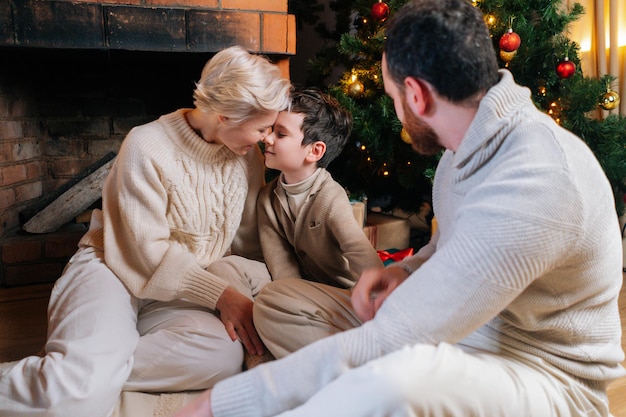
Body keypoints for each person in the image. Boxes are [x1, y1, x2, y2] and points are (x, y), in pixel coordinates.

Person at [173, 1, 626, 416]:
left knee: (394, 379)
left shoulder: (538, 182)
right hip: (459, 334)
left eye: (392, 97)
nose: (396, 110)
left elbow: (401, 337)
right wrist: (405, 272)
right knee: (286, 307)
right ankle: (344, 383)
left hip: (541, 375)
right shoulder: (462, 150)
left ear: (417, 95)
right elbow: (459, 243)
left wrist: (221, 403)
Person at [0, 45, 291, 417]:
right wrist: (221, 295)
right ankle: (77, 378)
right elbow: (143, 253)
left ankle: (91, 367)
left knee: (224, 355)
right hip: (113, 267)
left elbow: (245, 240)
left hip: (179, 287)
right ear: (225, 115)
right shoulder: (146, 144)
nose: (268, 138)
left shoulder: (246, 156)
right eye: (263, 127)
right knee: (72, 398)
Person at [253, 87, 384, 359]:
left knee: (270, 300)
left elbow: (357, 249)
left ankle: (359, 351)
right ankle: (332, 354)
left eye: (281, 134)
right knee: (269, 298)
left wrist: (381, 300)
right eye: (269, 131)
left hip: (346, 293)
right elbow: (281, 266)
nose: (267, 139)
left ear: (314, 151)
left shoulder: (330, 196)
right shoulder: (267, 198)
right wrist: (289, 306)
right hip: (305, 295)